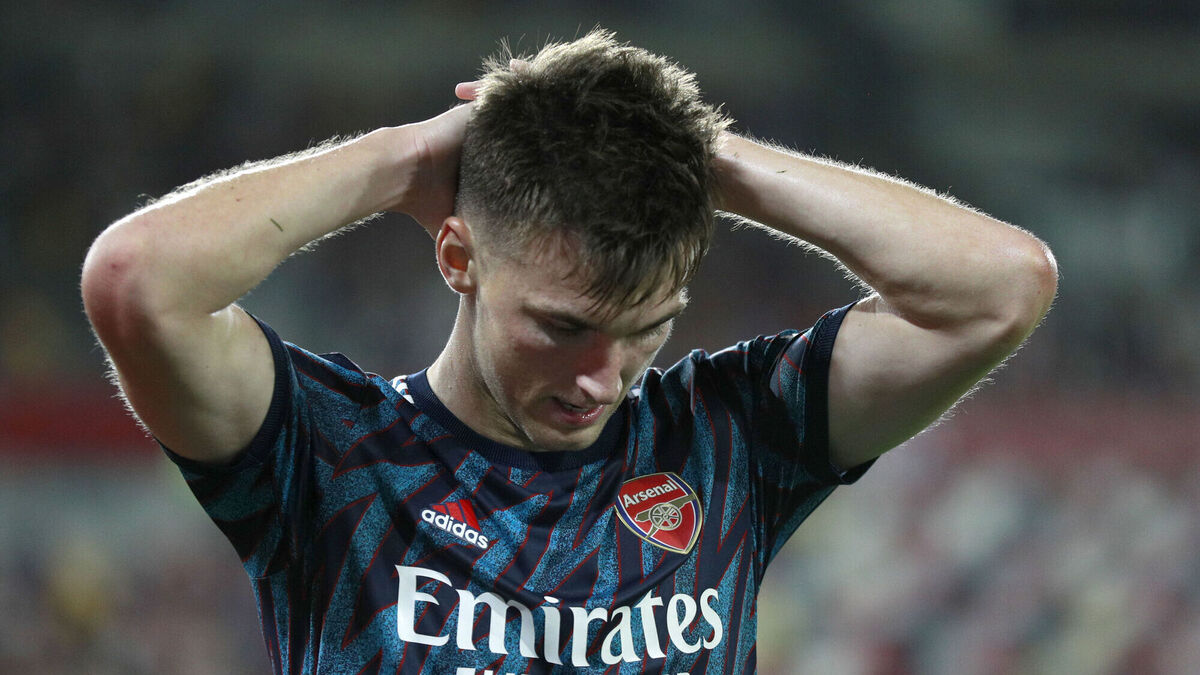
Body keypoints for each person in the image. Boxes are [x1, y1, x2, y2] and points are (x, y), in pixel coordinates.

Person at [81, 30, 1056, 675]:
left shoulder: (729, 438)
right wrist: (405, 157)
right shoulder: (330, 453)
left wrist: (707, 158)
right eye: (561, 326)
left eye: (648, 328)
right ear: (458, 257)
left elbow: (1001, 288)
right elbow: (137, 281)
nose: (603, 377)